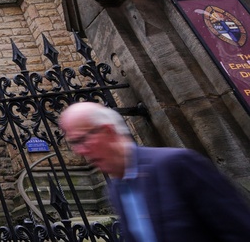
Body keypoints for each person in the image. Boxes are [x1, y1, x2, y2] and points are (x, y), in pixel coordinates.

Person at [59, 101, 250, 242]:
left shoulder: (178, 165)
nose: (79, 151)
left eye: (81, 140)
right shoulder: (116, 189)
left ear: (108, 131)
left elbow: (239, 230)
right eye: (73, 144)